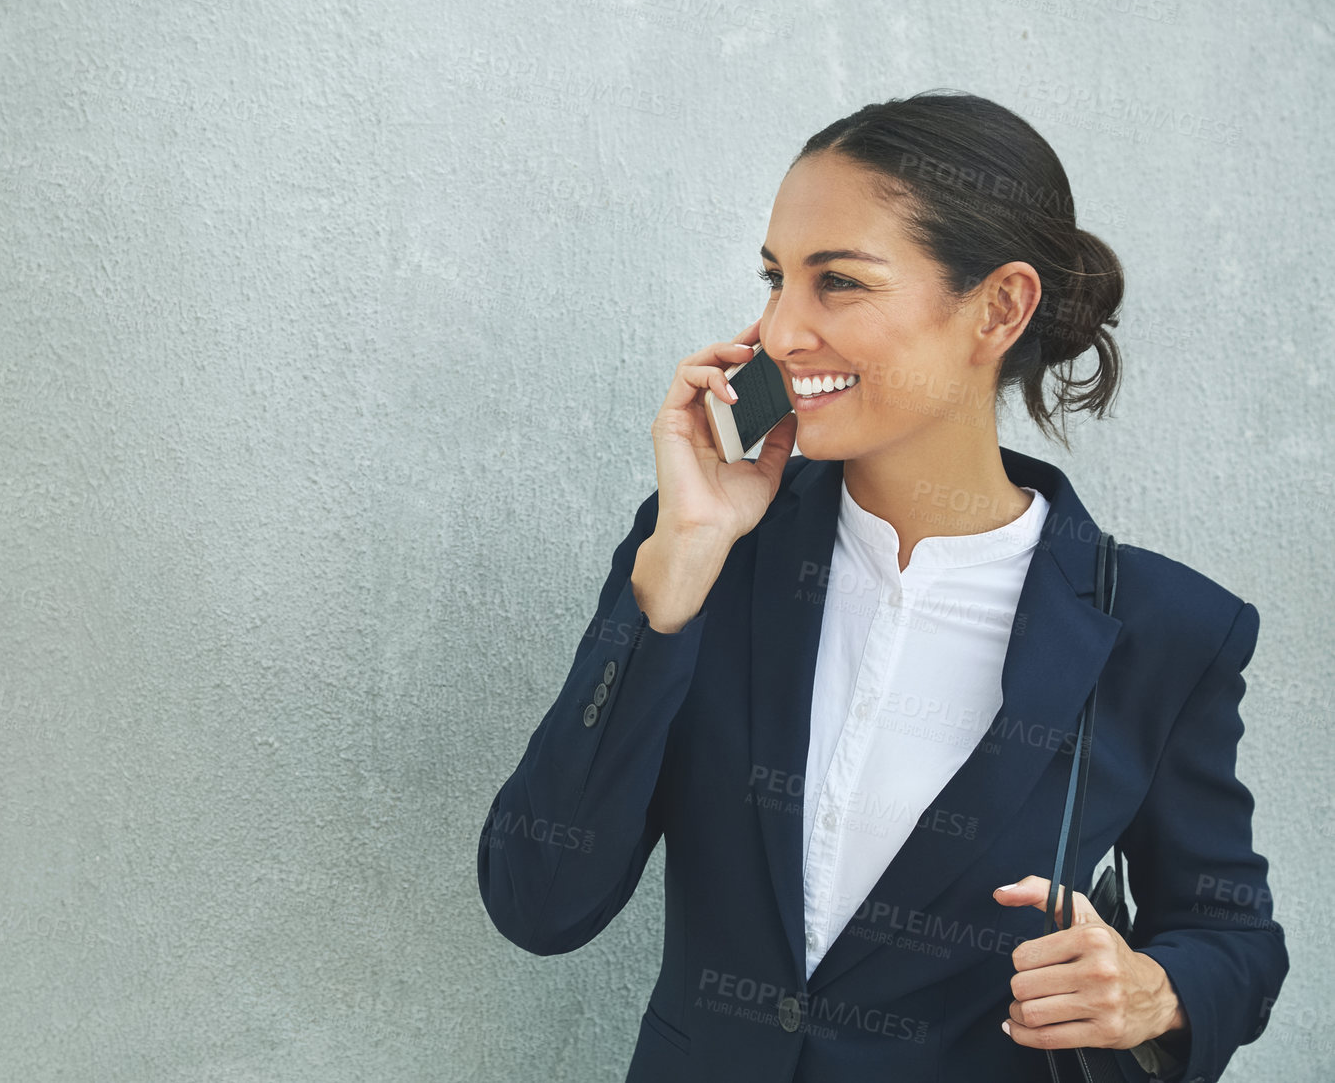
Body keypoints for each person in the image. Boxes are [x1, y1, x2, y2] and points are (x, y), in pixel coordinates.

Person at [477, 90, 1288, 1083]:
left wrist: (1154, 989)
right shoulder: (705, 552)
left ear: (998, 307)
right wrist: (674, 572)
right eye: (775, 279)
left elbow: (1231, 934)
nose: (778, 331)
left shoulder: (1163, 629)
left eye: (838, 284)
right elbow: (538, 897)